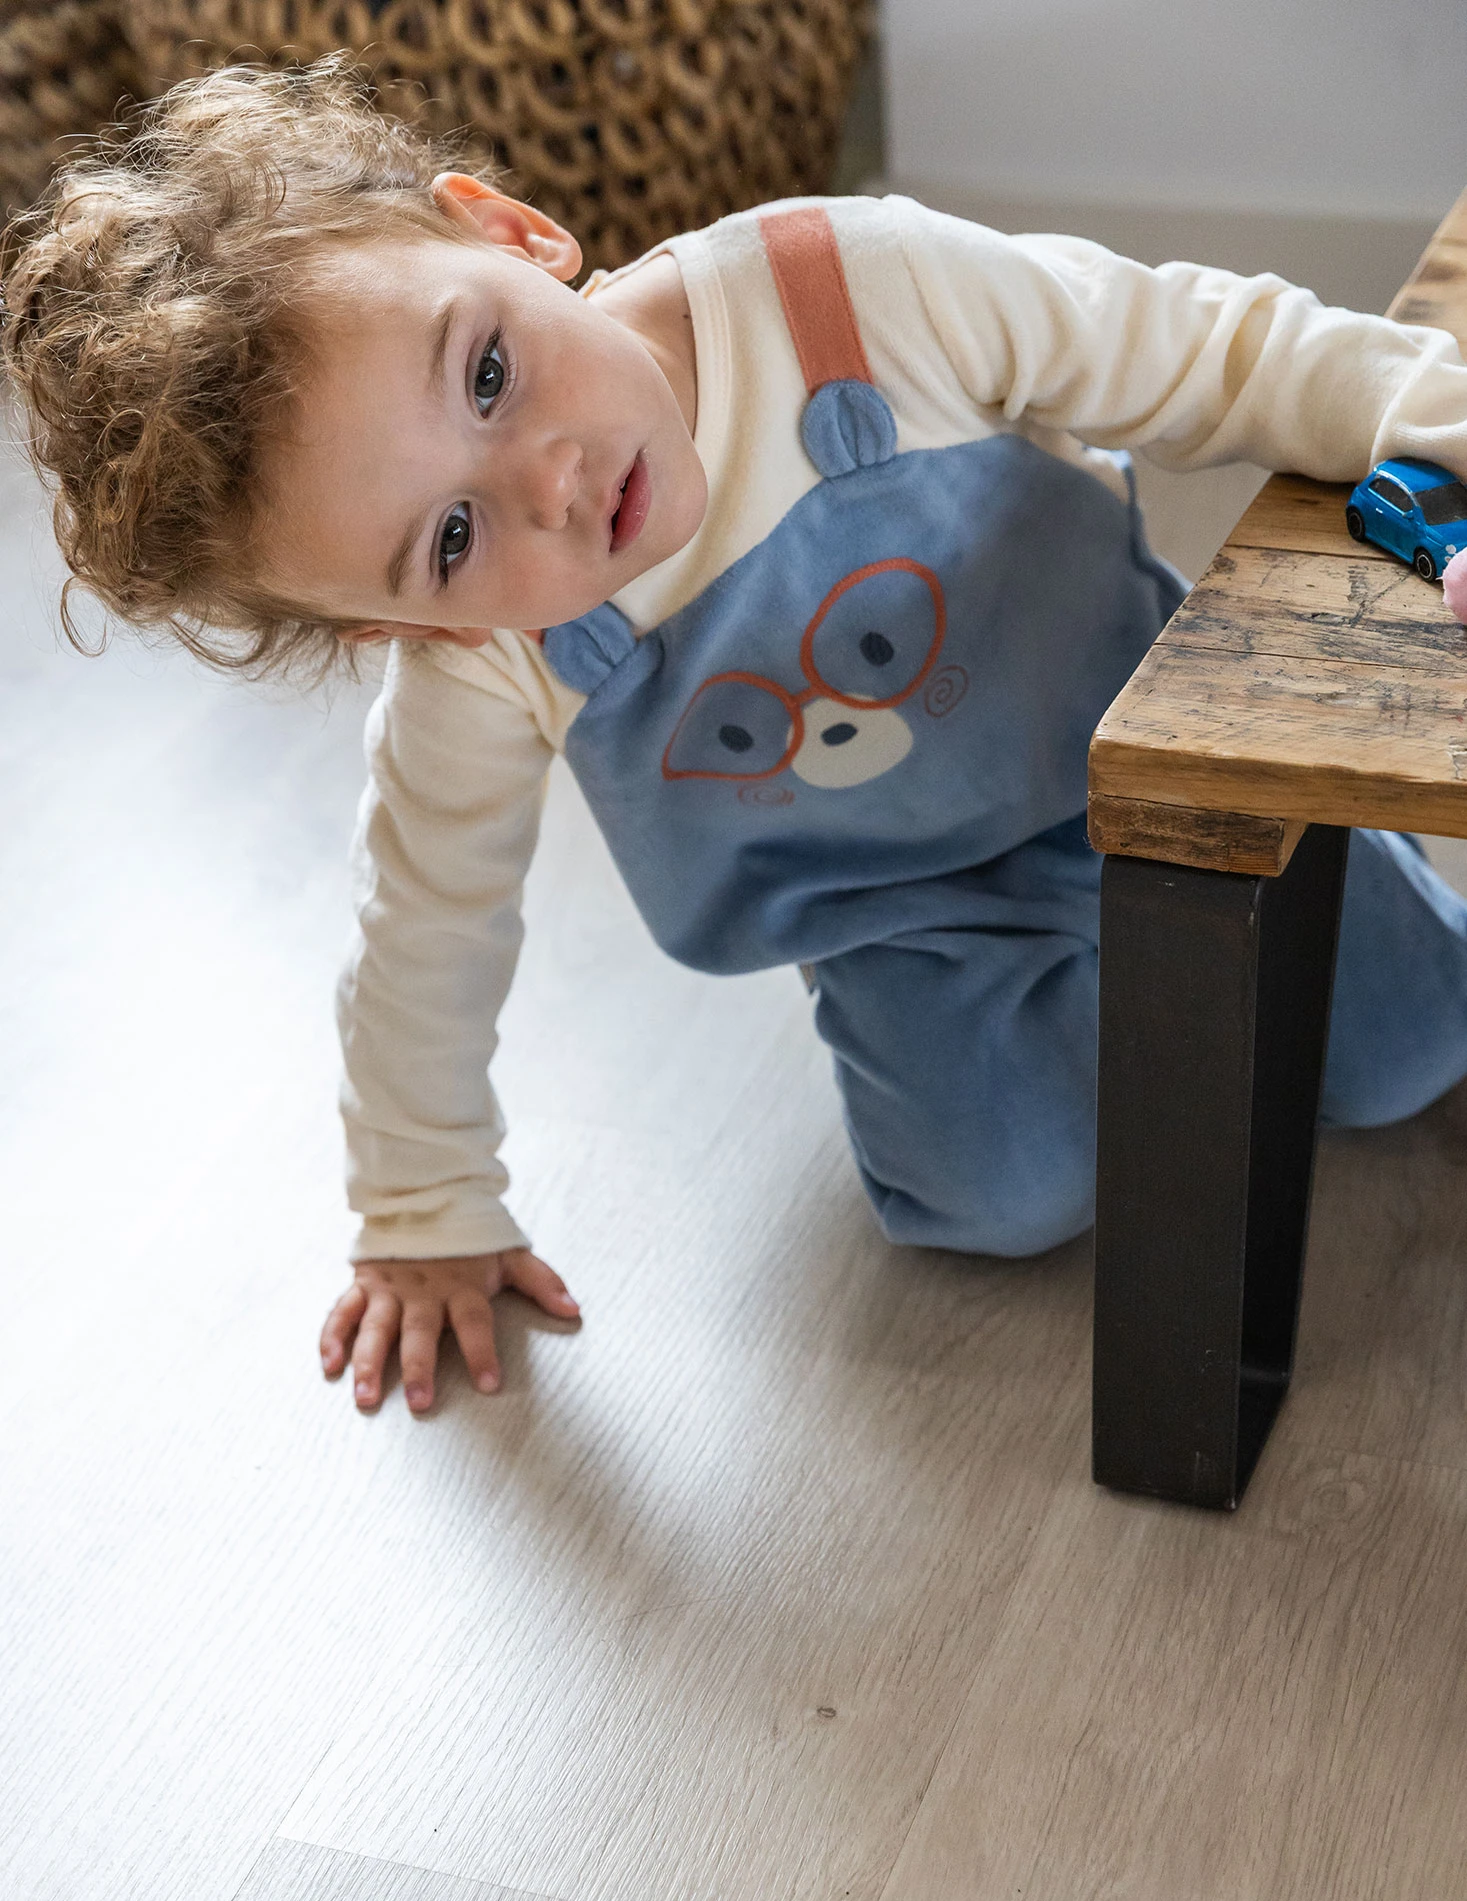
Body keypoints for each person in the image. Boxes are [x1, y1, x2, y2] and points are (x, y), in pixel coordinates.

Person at [9, 58, 1467, 1416]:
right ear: (410, 630)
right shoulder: (484, 668)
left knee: (1414, 1050)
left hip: (1156, 780)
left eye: (489, 375)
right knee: (995, 1201)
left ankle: (1200, 964)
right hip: (901, 926)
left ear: (511, 233)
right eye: (451, 538)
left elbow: (1215, 350)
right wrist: (420, 1208)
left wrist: (1437, 427)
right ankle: (1084, 1005)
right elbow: (422, 926)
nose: (550, 482)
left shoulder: (854, 287)